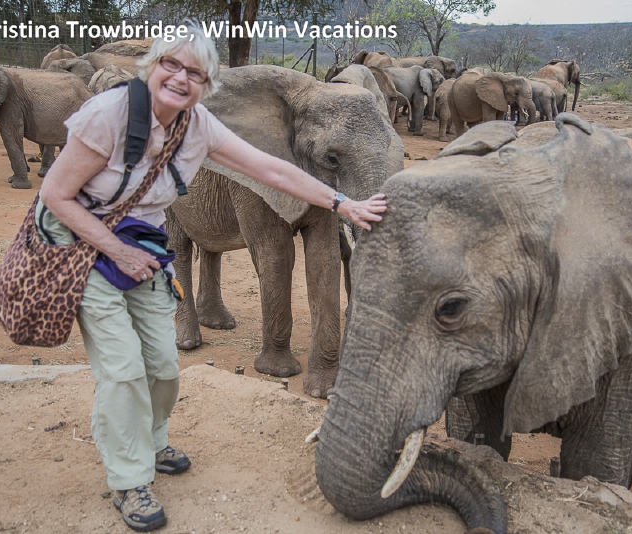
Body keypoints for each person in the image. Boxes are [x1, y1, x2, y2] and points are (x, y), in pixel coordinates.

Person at [37, 20, 386, 532]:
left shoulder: (197, 125)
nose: (181, 77)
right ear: (151, 66)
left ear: (207, 85)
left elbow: (272, 169)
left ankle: (154, 442)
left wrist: (342, 203)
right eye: (170, 64)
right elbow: (55, 196)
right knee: (122, 371)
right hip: (88, 250)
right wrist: (117, 251)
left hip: (144, 252)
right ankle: (129, 481)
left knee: (163, 367)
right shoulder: (107, 116)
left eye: (195, 72)